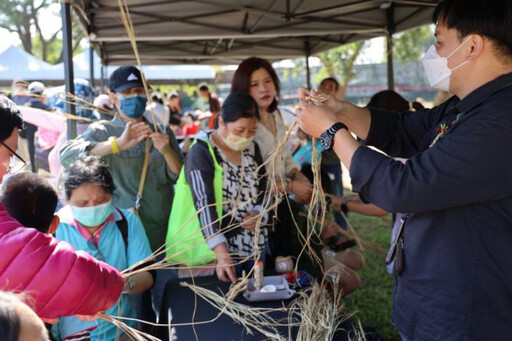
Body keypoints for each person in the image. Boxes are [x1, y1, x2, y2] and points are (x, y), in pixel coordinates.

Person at [295, 0, 512, 338]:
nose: (433, 52)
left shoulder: (499, 121)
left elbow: (404, 187)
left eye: (439, 42)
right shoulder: (465, 108)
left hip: (465, 317)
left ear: (472, 46)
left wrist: (330, 133)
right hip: (435, 303)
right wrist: (341, 111)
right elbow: (402, 130)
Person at [59, 65, 183, 320]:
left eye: (140, 91)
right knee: (133, 312)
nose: (135, 97)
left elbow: (180, 176)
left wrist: (167, 150)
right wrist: (116, 145)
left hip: (163, 235)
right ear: (113, 97)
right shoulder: (103, 131)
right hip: (124, 239)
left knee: (168, 307)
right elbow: (67, 155)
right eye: (127, 93)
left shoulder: (161, 130)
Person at [0, 94, 124, 320]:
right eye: (11, 154)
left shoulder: (127, 222)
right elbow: (81, 277)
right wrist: (113, 284)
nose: (8, 168)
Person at [168, 93, 268, 283]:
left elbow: (265, 189)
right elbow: (204, 205)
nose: (246, 136)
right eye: (239, 130)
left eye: (252, 130)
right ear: (221, 122)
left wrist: (258, 211)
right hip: (211, 255)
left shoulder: (253, 150)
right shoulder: (202, 151)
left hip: (251, 247)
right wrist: (222, 253)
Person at [53, 155, 154, 341]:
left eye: (100, 200)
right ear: (67, 199)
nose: (92, 207)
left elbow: (147, 276)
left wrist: (122, 283)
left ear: (111, 196)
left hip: (123, 331)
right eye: (83, 203)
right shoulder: (53, 228)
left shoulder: (126, 222)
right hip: (74, 336)